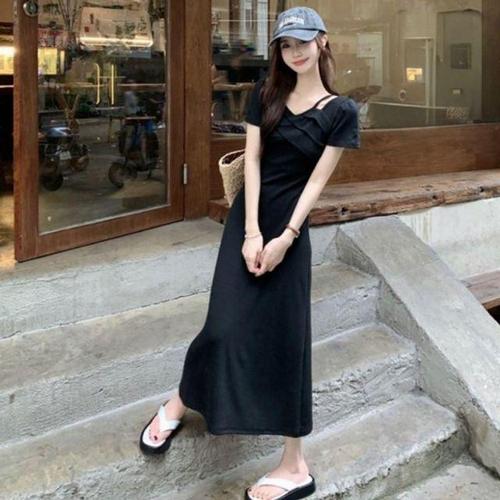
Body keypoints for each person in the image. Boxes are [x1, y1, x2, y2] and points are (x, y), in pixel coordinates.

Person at [139, 6, 360, 500]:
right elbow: (253, 162)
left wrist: (285, 237)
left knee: (288, 340)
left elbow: (317, 183)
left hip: (291, 231)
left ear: (322, 41)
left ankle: (295, 465)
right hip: (250, 220)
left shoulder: (341, 111)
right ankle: (179, 401)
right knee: (222, 326)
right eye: (286, 44)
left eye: (303, 41)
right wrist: (252, 232)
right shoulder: (266, 95)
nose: (295, 51)